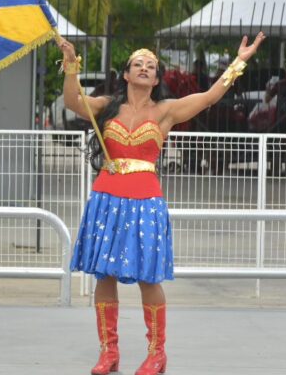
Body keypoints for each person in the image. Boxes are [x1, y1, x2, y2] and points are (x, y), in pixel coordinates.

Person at [58, 32, 265, 375]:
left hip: (145, 201)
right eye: (137, 64)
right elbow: (72, 102)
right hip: (107, 198)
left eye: (150, 66)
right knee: (104, 275)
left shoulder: (167, 111)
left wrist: (239, 61)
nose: (143, 68)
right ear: (126, 75)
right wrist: (70, 66)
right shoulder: (107, 106)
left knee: (148, 278)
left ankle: (157, 354)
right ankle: (108, 352)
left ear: (156, 79)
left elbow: (211, 96)